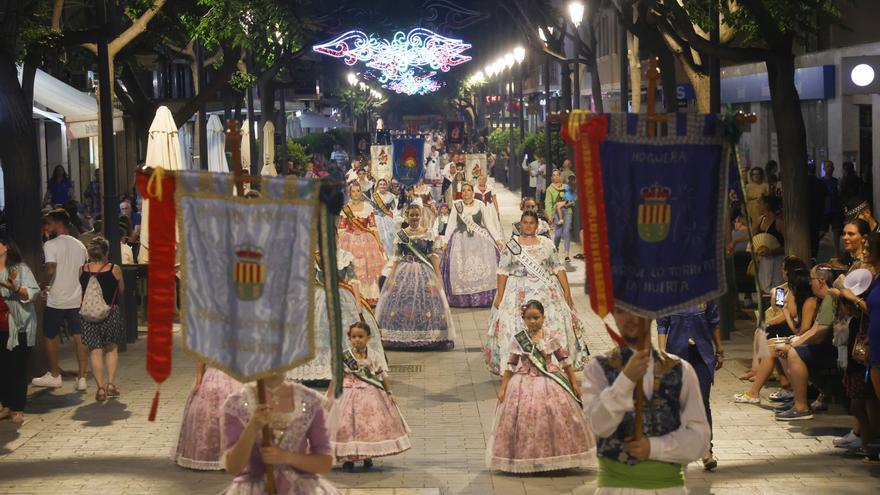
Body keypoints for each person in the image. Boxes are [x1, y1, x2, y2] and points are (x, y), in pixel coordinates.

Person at [582, 307, 711, 493]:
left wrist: (654, 447)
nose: (629, 317)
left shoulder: (680, 370)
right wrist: (626, 379)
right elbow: (598, 426)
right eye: (620, 311)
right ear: (613, 316)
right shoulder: (598, 369)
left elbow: (700, 436)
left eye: (637, 310)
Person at [486, 300, 594, 473]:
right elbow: (511, 365)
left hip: (550, 379)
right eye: (529, 318)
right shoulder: (520, 339)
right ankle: (528, 458)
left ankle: (555, 455)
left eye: (536, 318)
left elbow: (565, 361)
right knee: (525, 421)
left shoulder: (551, 336)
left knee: (555, 419)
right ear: (524, 319)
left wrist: (573, 383)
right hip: (524, 382)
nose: (533, 321)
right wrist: (503, 388)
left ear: (543, 317)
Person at [485, 211, 588, 374]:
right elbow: (502, 271)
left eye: (531, 222)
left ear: (537, 225)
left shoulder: (546, 243)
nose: (528, 226)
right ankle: (516, 365)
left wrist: (567, 292)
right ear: (520, 224)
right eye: (524, 222)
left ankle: (553, 363)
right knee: (515, 325)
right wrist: (500, 295)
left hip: (546, 291)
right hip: (517, 291)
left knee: (552, 324)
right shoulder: (511, 245)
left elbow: (558, 268)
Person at [220, 373, 337, 494]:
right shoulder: (236, 403)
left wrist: (286, 457)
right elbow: (233, 467)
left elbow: (325, 463)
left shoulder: (310, 400)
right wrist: (252, 428)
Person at [288, 248, 385, 382]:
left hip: (342, 296)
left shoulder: (345, 256)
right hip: (320, 295)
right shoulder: (316, 256)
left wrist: (357, 301)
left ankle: (349, 366)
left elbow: (353, 279)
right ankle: (322, 367)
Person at [326, 322, 411, 471]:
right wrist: (330, 394)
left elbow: (381, 376)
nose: (357, 339)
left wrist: (390, 392)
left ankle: (367, 455)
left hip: (369, 394)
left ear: (368, 338)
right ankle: (348, 458)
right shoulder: (344, 356)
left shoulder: (373, 355)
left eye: (360, 336)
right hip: (346, 393)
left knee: (368, 427)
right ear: (349, 338)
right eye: (353, 337)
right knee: (346, 426)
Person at [376, 205, 455, 350]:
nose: (414, 218)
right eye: (411, 215)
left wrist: (438, 277)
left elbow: (432, 255)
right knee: (403, 299)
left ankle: (426, 333)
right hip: (404, 271)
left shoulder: (428, 233)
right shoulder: (401, 235)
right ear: (407, 216)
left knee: (426, 300)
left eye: (416, 215)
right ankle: (403, 333)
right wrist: (392, 276)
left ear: (420, 216)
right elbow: (397, 257)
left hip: (424, 271)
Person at [735, 268, 817, 405]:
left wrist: (780, 315)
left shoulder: (807, 300)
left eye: (785, 270)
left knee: (768, 338)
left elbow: (800, 329)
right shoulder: (783, 289)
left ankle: (758, 390)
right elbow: (776, 305)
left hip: (794, 331)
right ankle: (761, 378)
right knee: (766, 339)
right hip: (792, 328)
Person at [656, 302, 723, 470]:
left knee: (702, 402)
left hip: (702, 355)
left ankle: (706, 451)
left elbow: (714, 321)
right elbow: (662, 324)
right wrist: (662, 353)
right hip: (677, 356)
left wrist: (720, 350)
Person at [770, 264, 838, 421]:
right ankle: (797, 400)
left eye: (812, 279)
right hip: (826, 345)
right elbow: (814, 330)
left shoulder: (826, 299)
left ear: (820, 281)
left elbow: (818, 333)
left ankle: (801, 407)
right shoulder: (825, 299)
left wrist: (793, 345)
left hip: (833, 349)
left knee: (793, 352)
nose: (810, 283)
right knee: (785, 347)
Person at [32, 209, 89, 391]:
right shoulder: (80, 245)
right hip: (76, 297)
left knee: (49, 335)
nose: (47, 226)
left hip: (56, 298)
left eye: (49, 222)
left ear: (57, 223)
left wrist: (42, 286)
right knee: (79, 337)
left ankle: (55, 375)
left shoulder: (51, 245)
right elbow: (82, 272)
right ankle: (82, 378)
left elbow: (50, 269)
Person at [442, 184, 502, 307]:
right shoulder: (457, 205)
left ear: (473, 192)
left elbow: (489, 223)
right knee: (461, 267)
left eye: (468, 190)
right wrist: (445, 241)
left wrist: (497, 239)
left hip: (480, 241)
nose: (465, 192)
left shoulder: (480, 204)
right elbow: (451, 224)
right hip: (460, 241)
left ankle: (484, 297)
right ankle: (463, 299)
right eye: (463, 190)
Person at [79, 236, 124, 401]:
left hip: (89, 315)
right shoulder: (114, 269)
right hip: (110, 313)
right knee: (111, 348)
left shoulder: (82, 269)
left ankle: (100, 389)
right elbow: (121, 290)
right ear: (106, 252)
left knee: (95, 351)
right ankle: (111, 384)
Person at [172, 363, 242, 470]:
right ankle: (209, 453)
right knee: (207, 415)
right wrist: (198, 380)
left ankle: (237, 454)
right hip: (213, 377)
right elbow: (201, 357)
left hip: (233, 374)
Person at [0, 238, 40, 424]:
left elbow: (31, 293)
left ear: (6, 247)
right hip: (0, 325)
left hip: (18, 325)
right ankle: (6, 405)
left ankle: (17, 408)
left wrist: (13, 287)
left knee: (17, 367)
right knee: (3, 368)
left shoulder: (20, 269)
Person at [337, 183, 386, 304]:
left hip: (367, 240)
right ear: (350, 193)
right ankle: (352, 295)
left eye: (358, 191)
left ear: (361, 192)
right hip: (350, 240)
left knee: (369, 268)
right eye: (353, 191)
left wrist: (379, 242)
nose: (356, 194)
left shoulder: (368, 207)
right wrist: (347, 237)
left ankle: (369, 296)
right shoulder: (345, 209)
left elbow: (373, 226)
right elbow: (341, 229)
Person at [755, 194, 786, 293]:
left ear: (767, 205)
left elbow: (789, 244)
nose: (758, 205)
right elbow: (752, 238)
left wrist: (772, 251)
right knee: (764, 287)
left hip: (778, 260)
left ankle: (779, 307)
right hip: (763, 260)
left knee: (778, 288)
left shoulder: (779, 222)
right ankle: (765, 307)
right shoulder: (760, 220)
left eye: (760, 203)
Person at [370, 178, 400, 256]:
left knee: (390, 237)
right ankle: (381, 256)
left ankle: (391, 256)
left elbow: (393, 208)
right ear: (378, 186)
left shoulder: (391, 196)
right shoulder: (374, 196)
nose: (382, 186)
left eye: (384, 184)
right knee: (380, 238)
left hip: (388, 219)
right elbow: (371, 208)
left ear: (387, 186)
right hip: (377, 219)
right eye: (380, 184)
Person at [807, 162, 829, 258]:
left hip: (805, 214)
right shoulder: (820, 182)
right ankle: (814, 256)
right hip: (818, 212)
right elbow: (827, 198)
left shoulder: (802, 182)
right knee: (815, 238)